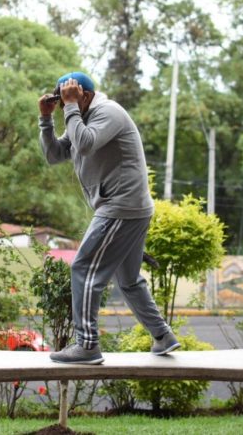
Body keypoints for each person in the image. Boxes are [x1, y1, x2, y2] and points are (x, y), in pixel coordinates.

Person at [38, 72, 180, 364]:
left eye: (70, 98)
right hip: (129, 207)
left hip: (121, 205)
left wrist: (71, 109)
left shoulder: (108, 112)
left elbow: (86, 143)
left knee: (83, 267)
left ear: (85, 95)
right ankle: (163, 336)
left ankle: (88, 345)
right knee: (128, 279)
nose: (65, 104)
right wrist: (46, 120)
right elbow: (55, 155)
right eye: (62, 99)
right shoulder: (81, 116)